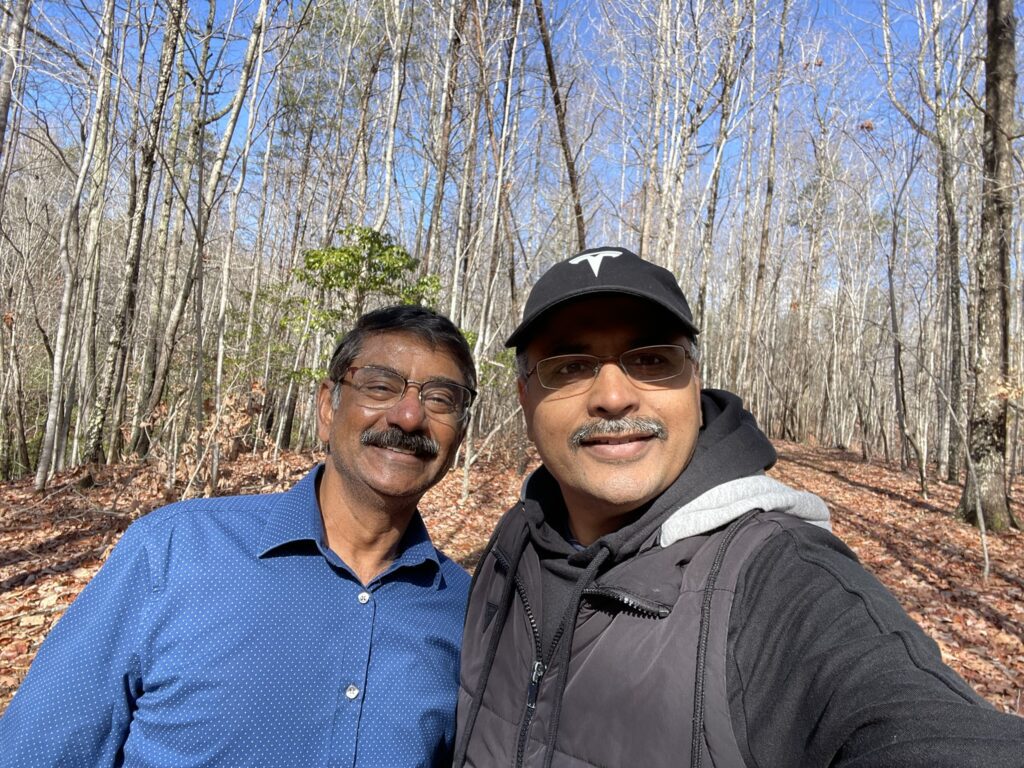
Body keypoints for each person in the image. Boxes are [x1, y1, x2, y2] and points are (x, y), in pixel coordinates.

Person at [454, 247, 1024, 767]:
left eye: (651, 361)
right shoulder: (516, 539)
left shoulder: (780, 579)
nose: (612, 396)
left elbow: (924, 728)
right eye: (570, 367)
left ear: (694, 385)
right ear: (526, 398)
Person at [1, 305, 476, 767]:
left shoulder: (468, 612)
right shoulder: (173, 551)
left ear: (458, 432)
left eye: (441, 399)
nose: (409, 416)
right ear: (327, 408)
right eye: (380, 385)